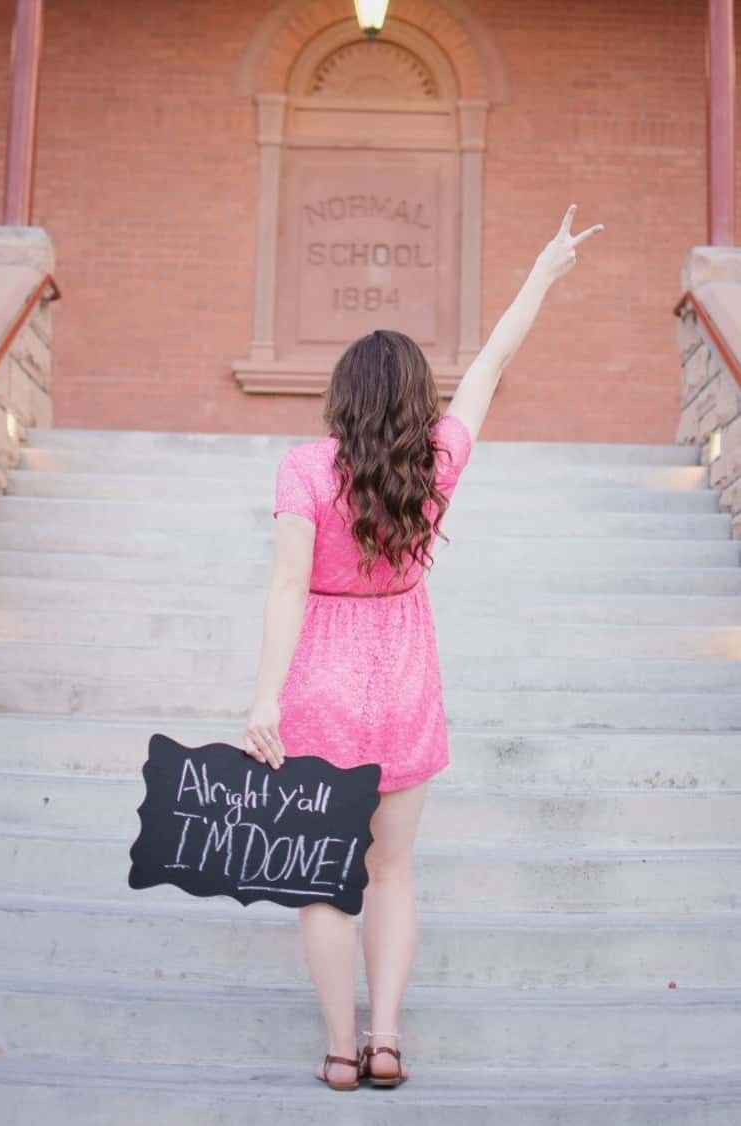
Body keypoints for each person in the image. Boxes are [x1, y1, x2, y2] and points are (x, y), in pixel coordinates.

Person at [241, 203, 605, 1091]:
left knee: (324, 873)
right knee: (392, 867)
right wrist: (543, 274)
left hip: (320, 678)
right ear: (414, 397)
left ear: (340, 395)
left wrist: (262, 698)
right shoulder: (437, 460)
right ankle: (390, 1038)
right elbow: (492, 363)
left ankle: (337, 1049)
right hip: (403, 674)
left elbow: (289, 585)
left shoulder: (302, 468)